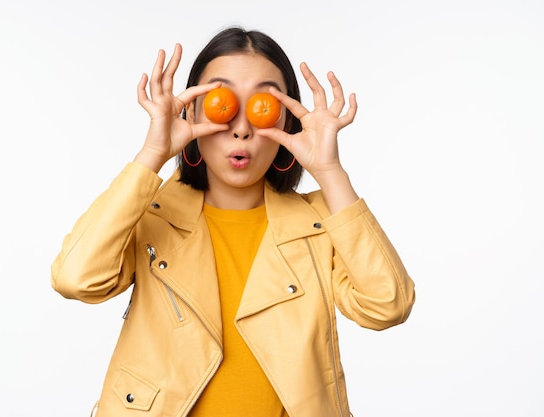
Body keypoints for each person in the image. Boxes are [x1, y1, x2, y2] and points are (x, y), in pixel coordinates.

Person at [51, 26, 415, 417]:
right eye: (222, 101)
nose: (240, 127)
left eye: (263, 105)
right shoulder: (148, 214)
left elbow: (387, 305)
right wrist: (153, 153)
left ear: (288, 123)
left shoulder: (321, 222)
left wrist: (330, 172)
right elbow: (77, 278)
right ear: (188, 110)